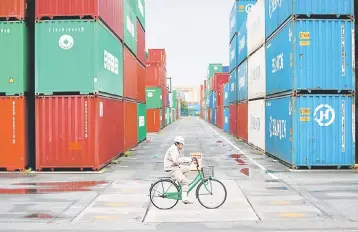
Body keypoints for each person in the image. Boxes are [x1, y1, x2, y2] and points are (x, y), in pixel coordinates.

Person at [164, 136, 194, 204]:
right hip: (171, 169)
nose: (183, 145)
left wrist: (188, 159)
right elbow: (176, 161)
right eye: (182, 144)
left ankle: (181, 183)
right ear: (178, 143)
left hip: (175, 167)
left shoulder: (176, 149)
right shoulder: (173, 149)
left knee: (187, 169)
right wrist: (187, 160)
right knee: (185, 181)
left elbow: (178, 160)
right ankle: (184, 199)